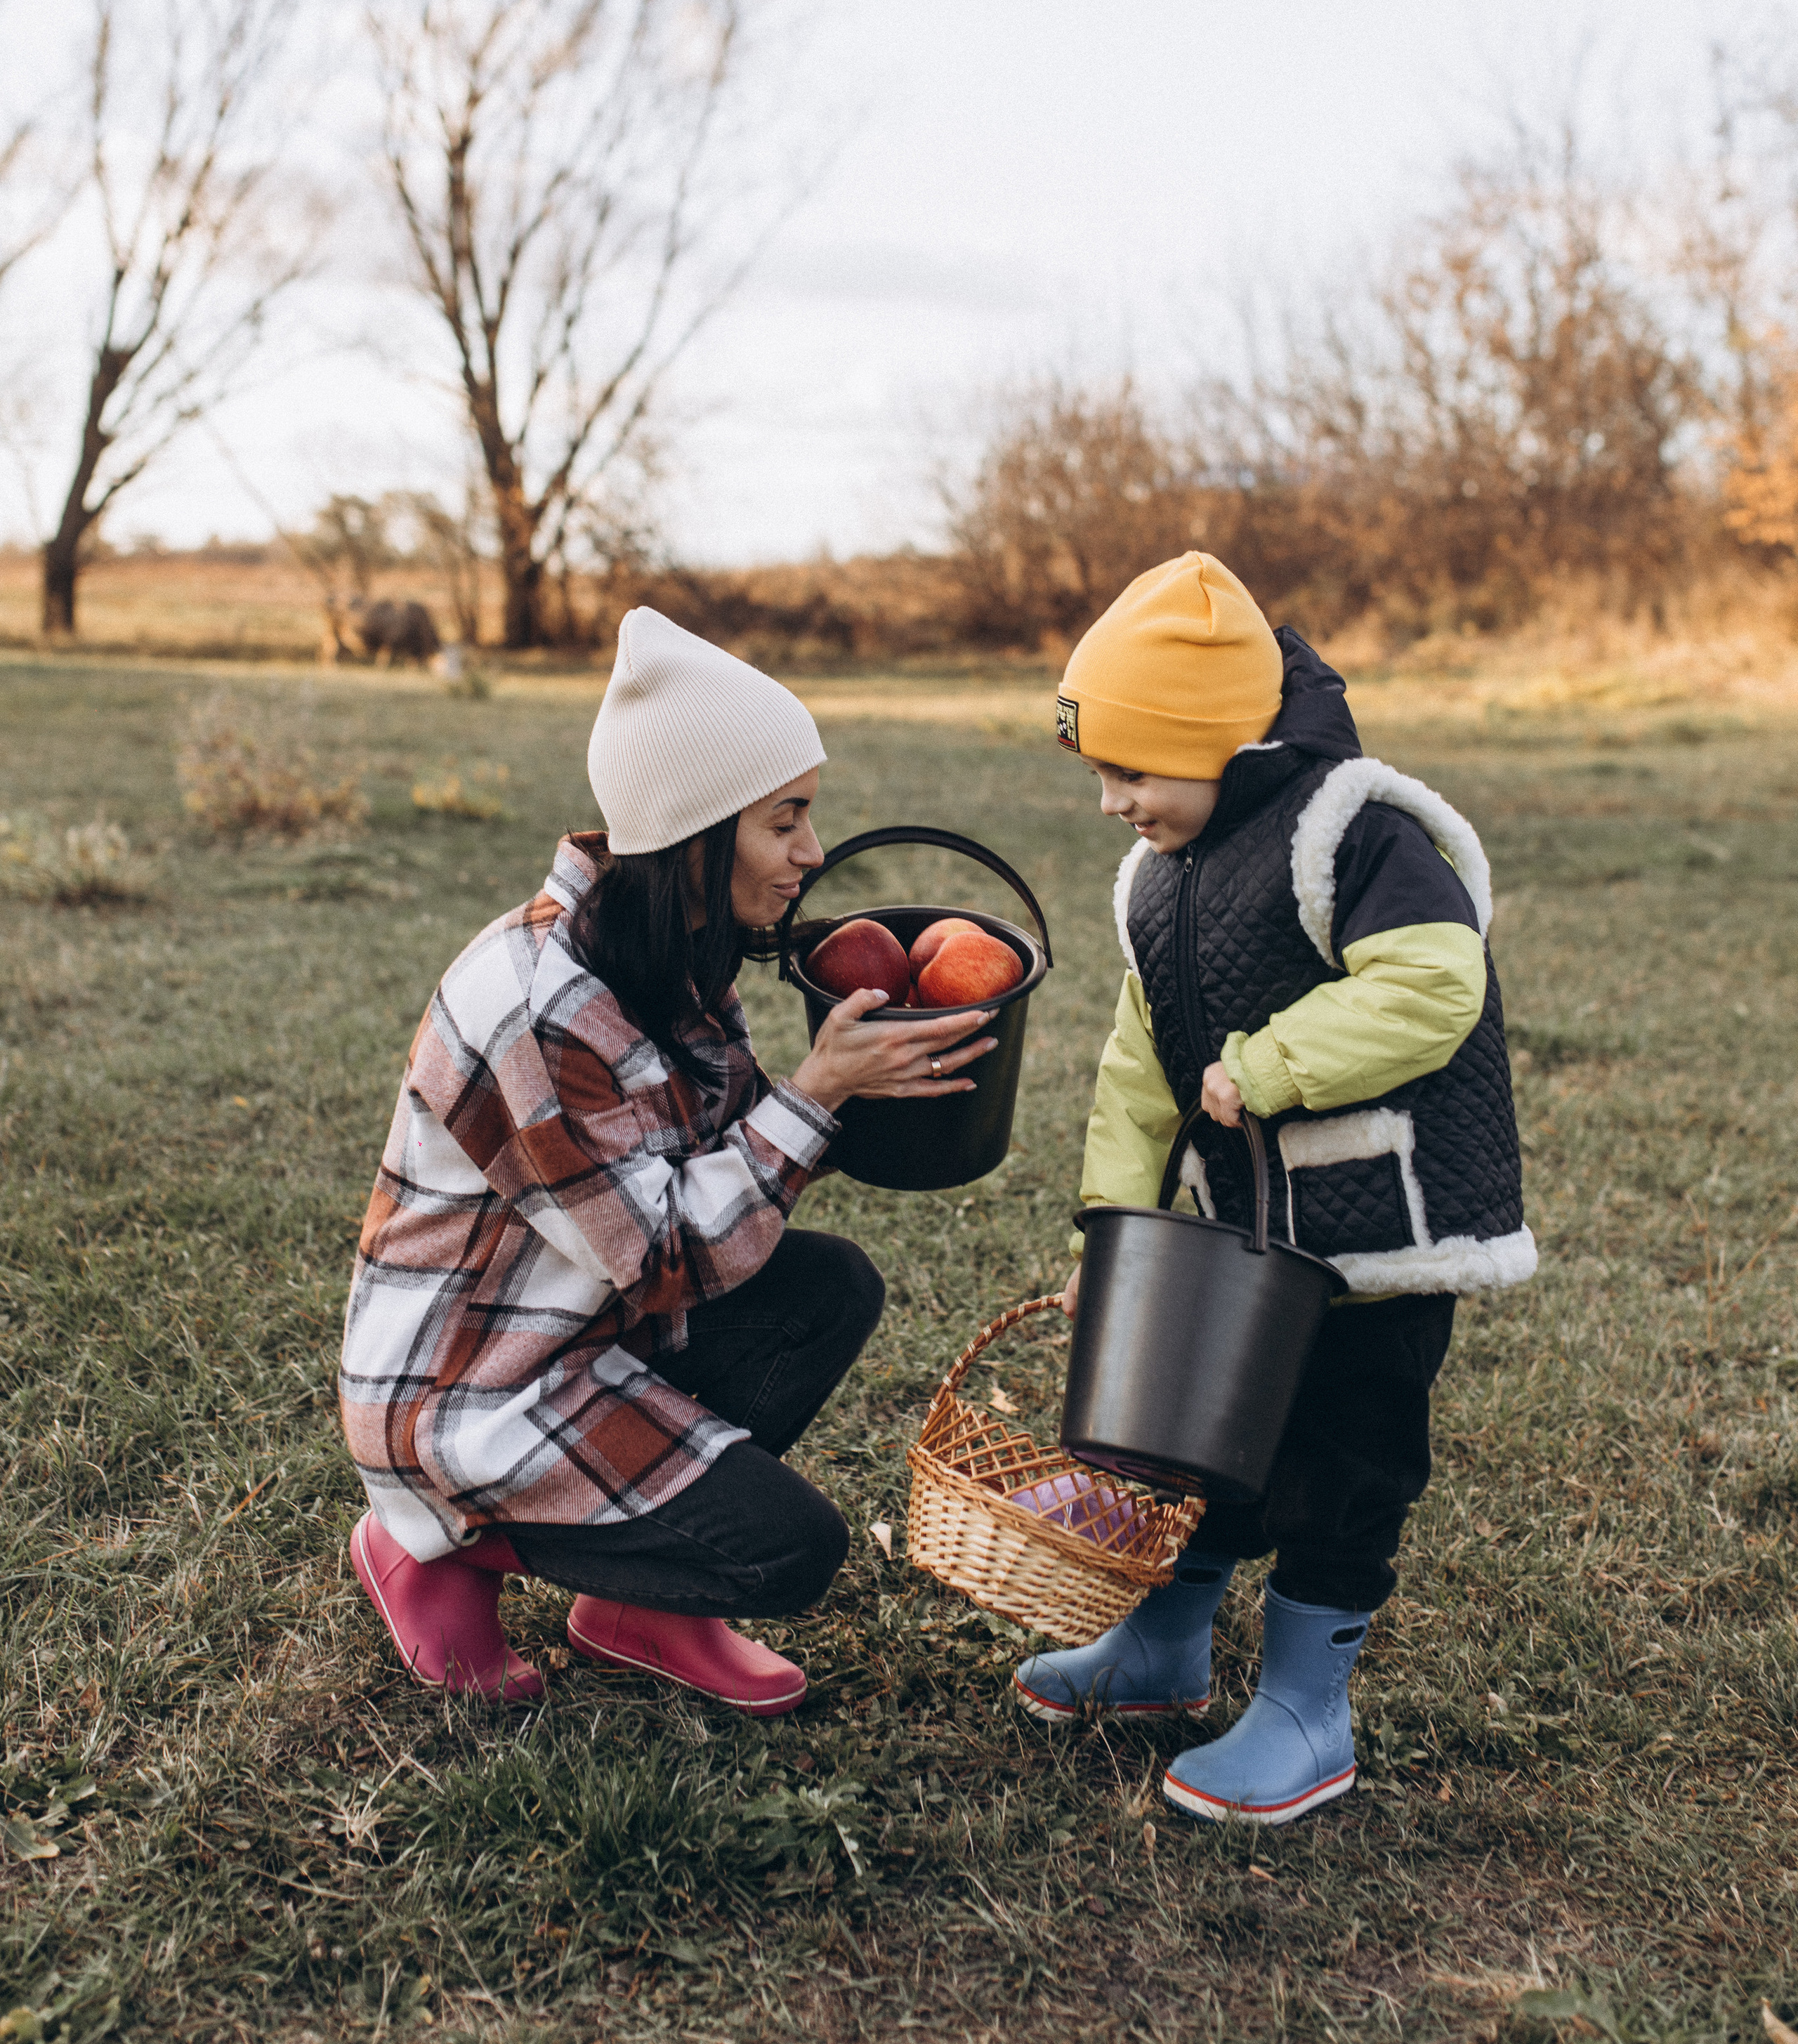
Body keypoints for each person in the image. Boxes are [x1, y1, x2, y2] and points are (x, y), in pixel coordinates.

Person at [338, 608, 995, 1714]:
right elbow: (662, 1258)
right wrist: (818, 1092)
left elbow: (731, 1154)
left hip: (582, 1336)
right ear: (698, 832)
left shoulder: (672, 957)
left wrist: (861, 1083)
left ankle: (639, 1607)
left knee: (826, 1290)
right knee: (786, 1551)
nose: (812, 852)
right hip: (465, 1397)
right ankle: (427, 1545)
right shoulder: (538, 1008)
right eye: (785, 821)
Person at [1013, 553, 1533, 1823]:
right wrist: (1115, 1224)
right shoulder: (1158, 878)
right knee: (1196, 1442)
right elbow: (1141, 1070)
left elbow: (1431, 982)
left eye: (1130, 771)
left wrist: (1270, 1064)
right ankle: (1162, 1650)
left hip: (1378, 1239)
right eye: (1099, 775)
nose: (1108, 803)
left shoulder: (1355, 831)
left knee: (1342, 1456)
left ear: (1218, 746)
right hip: (1242, 1238)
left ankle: (1309, 1708)